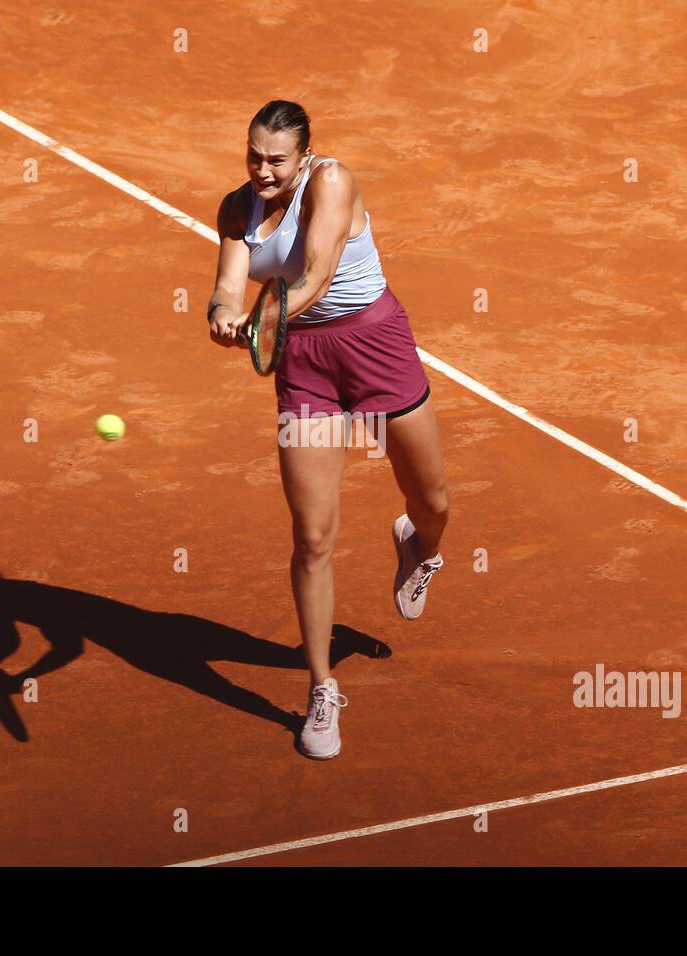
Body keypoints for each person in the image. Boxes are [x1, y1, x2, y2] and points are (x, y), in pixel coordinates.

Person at [206, 100, 449, 759]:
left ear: (305, 157)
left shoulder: (332, 182)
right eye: (252, 155)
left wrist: (262, 322)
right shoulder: (236, 208)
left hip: (375, 344)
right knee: (312, 536)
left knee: (433, 502)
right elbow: (226, 288)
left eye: (275, 159)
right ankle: (321, 689)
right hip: (306, 364)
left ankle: (418, 547)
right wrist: (224, 316)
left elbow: (314, 274)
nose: (260, 169)